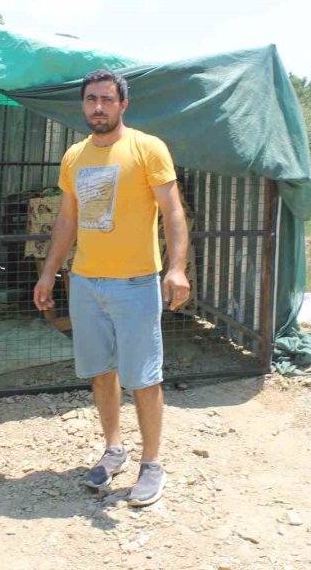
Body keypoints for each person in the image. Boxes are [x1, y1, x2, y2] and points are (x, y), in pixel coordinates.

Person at [33, 69, 190, 507]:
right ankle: (114, 449)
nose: (98, 107)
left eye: (106, 99)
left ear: (123, 104)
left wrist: (176, 268)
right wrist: (48, 273)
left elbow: (173, 212)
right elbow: (67, 219)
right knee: (101, 372)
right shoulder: (74, 156)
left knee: (144, 378)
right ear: (83, 106)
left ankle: (152, 463)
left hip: (136, 283)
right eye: (91, 99)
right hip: (85, 283)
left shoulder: (146, 148)